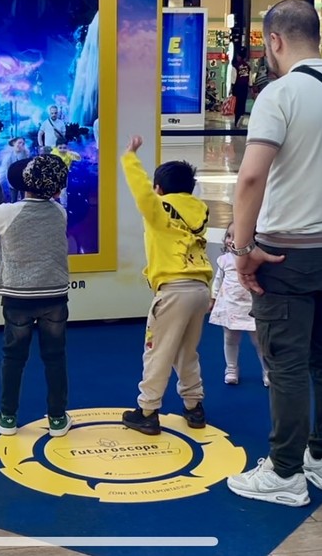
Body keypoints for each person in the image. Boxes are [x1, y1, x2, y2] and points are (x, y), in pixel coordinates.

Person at [226, 0, 322, 508]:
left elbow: (251, 177)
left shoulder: (281, 94)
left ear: (274, 40)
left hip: (284, 254)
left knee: (287, 363)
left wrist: (243, 248)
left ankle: (285, 472)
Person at [0, 155, 72, 438]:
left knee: (13, 357)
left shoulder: (8, 212)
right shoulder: (60, 212)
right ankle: (57, 418)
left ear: (24, 182)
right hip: (55, 295)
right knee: (55, 357)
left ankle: (7, 417)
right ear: (57, 188)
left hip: (18, 297)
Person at [119, 136, 212, 436]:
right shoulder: (200, 210)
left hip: (173, 290)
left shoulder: (159, 209)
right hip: (200, 289)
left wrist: (130, 157)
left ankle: (147, 411)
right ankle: (194, 406)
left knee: (157, 350)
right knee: (187, 351)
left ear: (159, 188)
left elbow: (141, 190)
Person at [210, 223, 269, 387]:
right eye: (228, 236)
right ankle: (231, 368)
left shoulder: (255, 260)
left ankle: (267, 370)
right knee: (230, 339)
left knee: (260, 342)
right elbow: (218, 281)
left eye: (236, 237)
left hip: (251, 307)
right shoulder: (224, 260)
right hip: (230, 306)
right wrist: (213, 298)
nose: (230, 240)